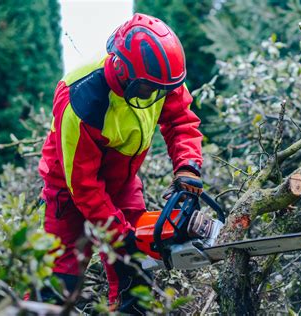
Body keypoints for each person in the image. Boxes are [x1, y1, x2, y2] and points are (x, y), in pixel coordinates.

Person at [38, 13, 203, 314]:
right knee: (58, 281)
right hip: (69, 190)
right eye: (147, 89)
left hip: (123, 180)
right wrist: (118, 233)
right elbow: (84, 186)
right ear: (123, 70)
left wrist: (187, 167)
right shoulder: (83, 98)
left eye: (160, 89)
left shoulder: (157, 77)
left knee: (135, 269)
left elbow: (180, 119)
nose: (155, 95)